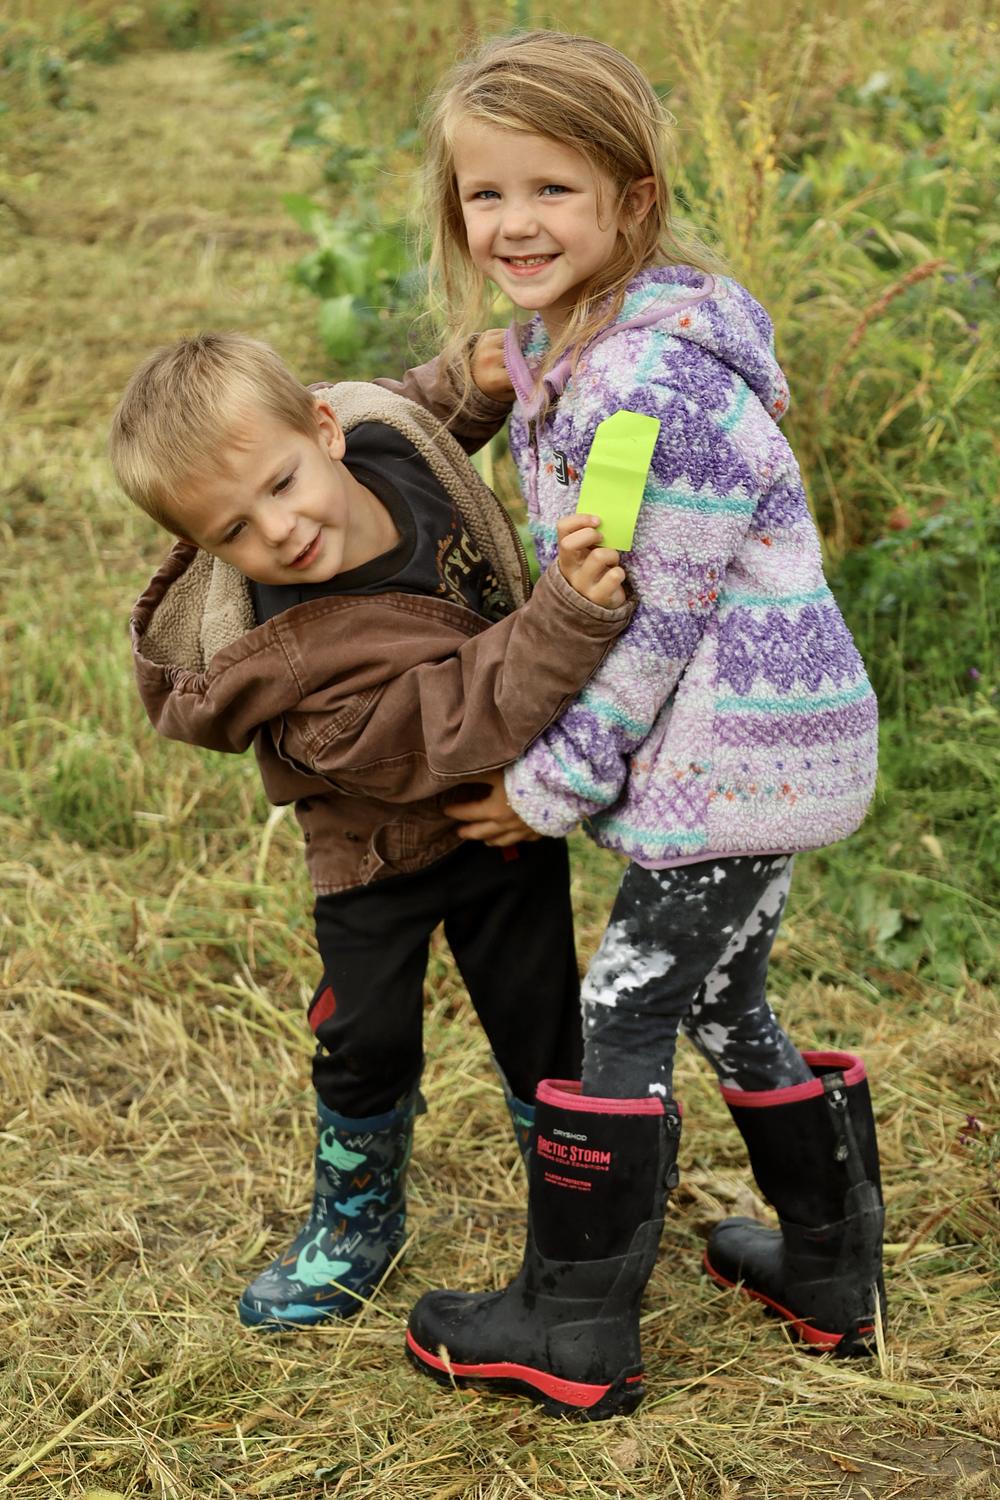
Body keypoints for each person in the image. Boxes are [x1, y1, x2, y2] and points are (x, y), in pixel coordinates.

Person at [403, 30, 885, 1419]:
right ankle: (829, 1270)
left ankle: (572, 1325)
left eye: (552, 189)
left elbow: (647, 625)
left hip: (734, 752)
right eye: (486, 194)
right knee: (724, 998)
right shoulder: (584, 354)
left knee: (621, 1009)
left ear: (632, 199)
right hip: (759, 746)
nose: (515, 223)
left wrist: (543, 790)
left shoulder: (648, 384)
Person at [111, 331, 633, 1330]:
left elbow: (414, 406)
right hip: (375, 854)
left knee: (539, 1019)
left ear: (324, 430)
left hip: (500, 824)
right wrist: (563, 619)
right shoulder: (291, 662)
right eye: (234, 530)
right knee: (365, 1037)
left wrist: (469, 382)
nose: (280, 530)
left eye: (281, 484)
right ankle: (357, 1220)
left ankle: (581, 1206)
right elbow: (452, 722)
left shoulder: (382, 433)